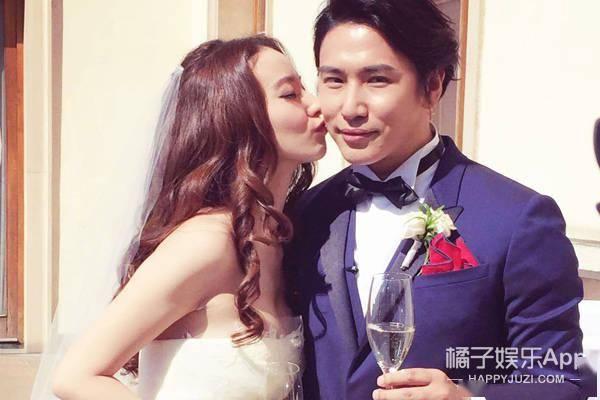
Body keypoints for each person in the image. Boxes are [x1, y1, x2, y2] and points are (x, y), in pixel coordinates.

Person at [285, 0, 597, 399]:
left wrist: (469, 398)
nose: (350, 108)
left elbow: (561, 377)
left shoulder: (517, 219)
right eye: (333, 80)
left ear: (433, 85)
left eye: (377, 80)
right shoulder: (307, 213)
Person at [45, 35, 326, 399]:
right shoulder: (206, 243)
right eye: (290, 94)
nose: (316, 104)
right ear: (236, 116)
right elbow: (76, 376)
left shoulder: (280, 239)